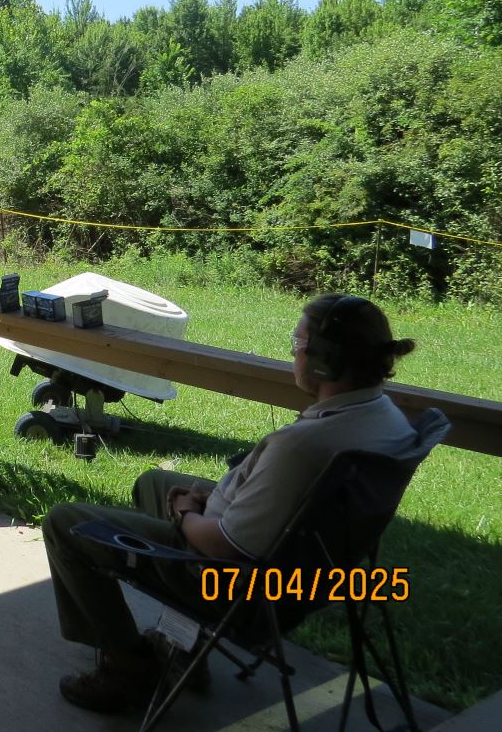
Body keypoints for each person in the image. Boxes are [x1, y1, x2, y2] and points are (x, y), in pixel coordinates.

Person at [44, 294, 419, 715]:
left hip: (231, 584)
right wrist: (223, 497)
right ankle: (184, 643)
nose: (293, 353)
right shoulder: (386, 419)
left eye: (298, 344)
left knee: (64, 523)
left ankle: (128, 666)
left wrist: (186, 514)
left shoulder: (304, 446)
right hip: (306, 574)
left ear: (324, 361)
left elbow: (223, 545)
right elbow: (278, 501)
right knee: (153, 483)